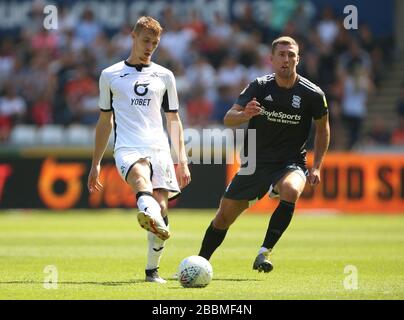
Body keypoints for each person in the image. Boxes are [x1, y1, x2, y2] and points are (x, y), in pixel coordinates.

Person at [198, 36, 330, 273]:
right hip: (255, 164)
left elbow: (323, 128)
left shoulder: (313, 93)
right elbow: (228, 118)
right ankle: (199, 263)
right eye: (281, 55)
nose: (286, 59)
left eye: (291, 55)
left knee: (291, 189)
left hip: (291, 163)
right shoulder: (259, 86)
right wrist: (245, 115)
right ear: (271, 59)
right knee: (223, 218)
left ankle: (264, 252)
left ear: (298, 59)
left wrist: (317, 166)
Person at [87, 16, 191, 283]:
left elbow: (173, 119)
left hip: (160, 148)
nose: (150, 47)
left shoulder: (165, 76)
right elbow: (104, 120)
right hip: (128, 147)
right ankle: (149, 214)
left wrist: (182, 160)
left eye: (155, 43)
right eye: (146, 41)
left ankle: (151, 270)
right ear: (133, 37)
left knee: (161, 207)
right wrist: (95, 163)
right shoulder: (109, 75)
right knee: (139, 176)